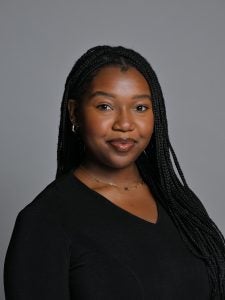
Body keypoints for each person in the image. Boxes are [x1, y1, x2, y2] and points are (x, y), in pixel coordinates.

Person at [4, 45, 225, 300]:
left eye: (140, 107)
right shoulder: (45, 221)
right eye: (105, 106)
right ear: (75, 113)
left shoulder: (179, 202)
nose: (124, 124)